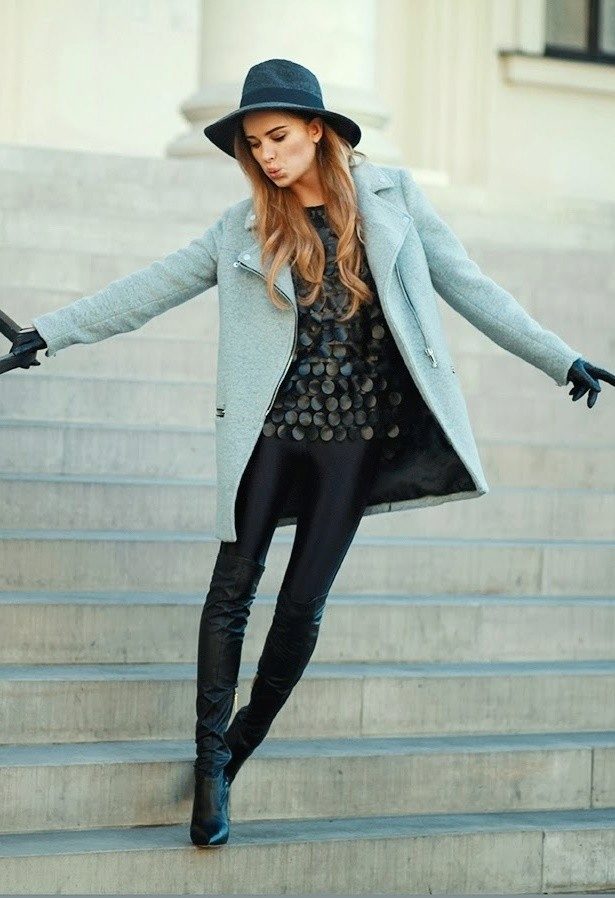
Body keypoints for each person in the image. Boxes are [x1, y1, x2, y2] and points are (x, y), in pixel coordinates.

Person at [15, 58, 613, 851]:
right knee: (231, 591)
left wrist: (556, 356)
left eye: (278, 137)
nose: (265, 155)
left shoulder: (393, 199)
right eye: (254, 144)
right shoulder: (242, 226)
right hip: (269, 434)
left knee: (300, 609)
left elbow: (469, 285)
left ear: (317, 130)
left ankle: (242, 741)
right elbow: (150, 287)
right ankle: (208, 763)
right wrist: (49, 332)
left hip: (353, 444)